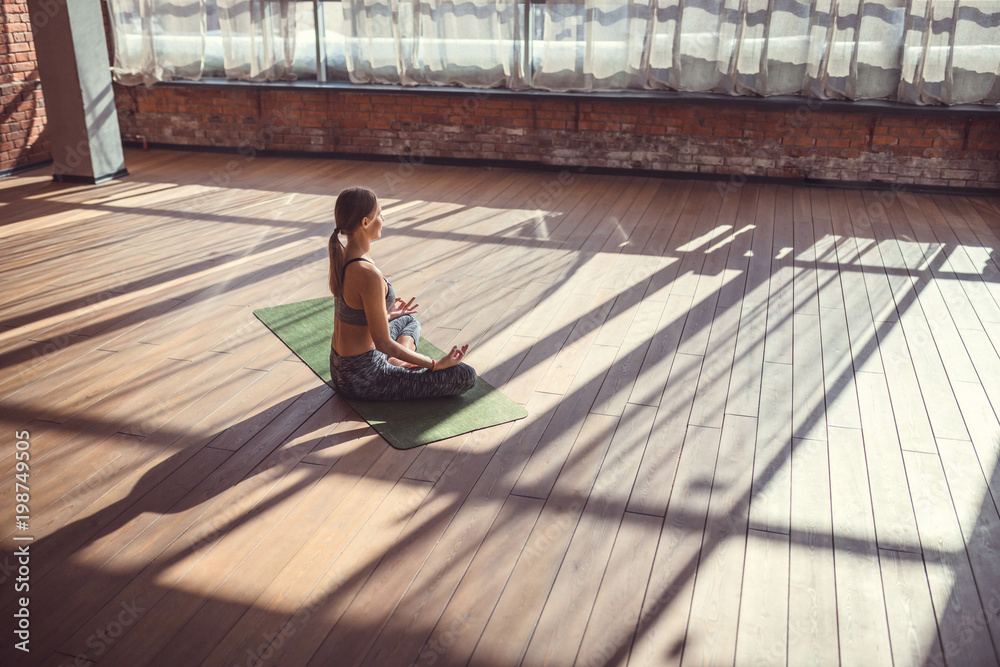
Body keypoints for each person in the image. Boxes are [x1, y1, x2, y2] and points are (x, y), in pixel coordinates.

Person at [328, 187, 477, 401]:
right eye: (379, 213)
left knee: (408, 320)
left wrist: (386, 316)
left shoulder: (342, 256)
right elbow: (383, 344)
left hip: (340, 366)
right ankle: (402, 363)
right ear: (364, 222)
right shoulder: (367, 273)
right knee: (465, 375)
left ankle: (400, 362)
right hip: (364, 377)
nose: (383, 217)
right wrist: (434, 364)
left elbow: (353, 316)